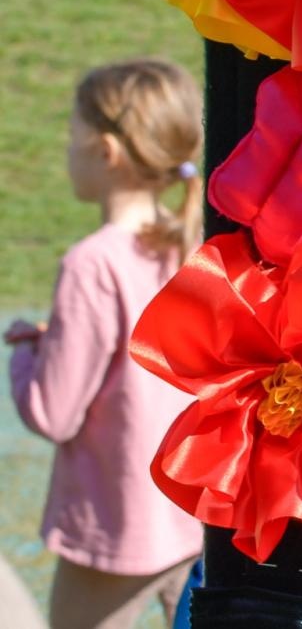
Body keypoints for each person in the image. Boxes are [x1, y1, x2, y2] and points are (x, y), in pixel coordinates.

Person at [6, 59, 204, 629]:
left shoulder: (93, 263)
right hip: (194, 512)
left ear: (108, 152)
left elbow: (53, 412)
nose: (66, 148)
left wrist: (27, 354)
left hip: (120, 523)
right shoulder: (191, 242)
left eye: (73, 134)